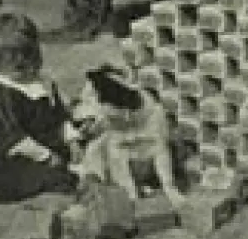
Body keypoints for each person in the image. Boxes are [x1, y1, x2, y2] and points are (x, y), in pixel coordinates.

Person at [0, 12, 84, 203]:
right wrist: (47, 156)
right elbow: (15, 139)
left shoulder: (42, 82)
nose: (30, 70)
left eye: (34, 61)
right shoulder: (0, 96)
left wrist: (72, 140)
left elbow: (59, 116)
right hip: (13, 163)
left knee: (87, 147)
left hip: (48, 146)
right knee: (57, 178)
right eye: (20, 68)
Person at [71, 65, 185, 208]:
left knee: (162, 150)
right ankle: (121, 192)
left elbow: (160, 152)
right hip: (119, 166)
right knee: (100, 149)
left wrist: (170, 189)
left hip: (146, 162)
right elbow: (113, 152)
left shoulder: (153, 114)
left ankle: (155, 187)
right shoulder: (110, 110)